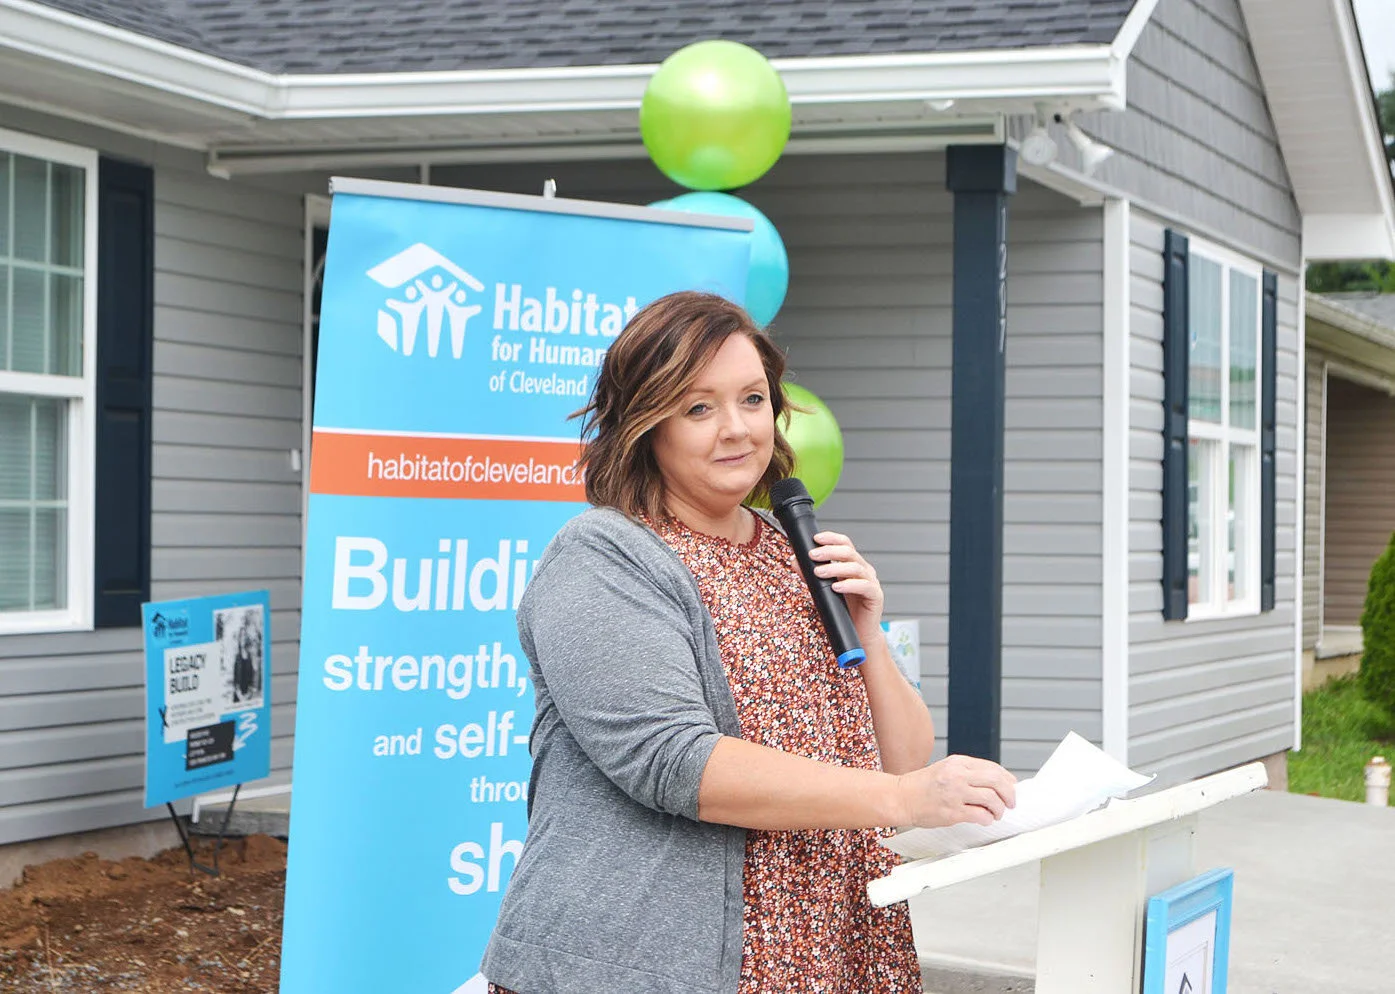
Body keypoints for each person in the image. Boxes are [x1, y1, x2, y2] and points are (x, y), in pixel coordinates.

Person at [481, 291, 1017, 994]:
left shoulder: (790, 552)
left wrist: (868, 633)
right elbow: (671, 760)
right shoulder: (604, 557)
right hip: (651, 963)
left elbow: (897, 759)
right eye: (698, 407)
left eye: (753, 399)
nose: (735, 429)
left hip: (823, 949)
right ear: (647, 424)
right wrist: (905, 801)